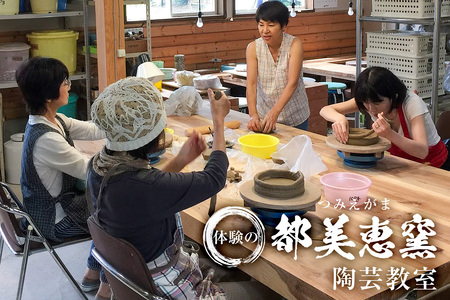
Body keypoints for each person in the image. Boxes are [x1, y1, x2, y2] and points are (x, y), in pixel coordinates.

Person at [87, 77, 282, 299]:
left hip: (137, 278)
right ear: (153, 136)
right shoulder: (146, 187)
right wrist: (218, 122)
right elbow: (215, 178)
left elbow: (147, 190)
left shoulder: (98, 168)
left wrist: (180, 160)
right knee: (268, 290)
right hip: (165, 285)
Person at [15, 56, 108, 296]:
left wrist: (125, 123)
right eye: (64, 82)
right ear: (48, 95)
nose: (69, 85)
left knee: (113, 204)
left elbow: (93, 129)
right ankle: (99, 279)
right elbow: (91, 170)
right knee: (118, 212)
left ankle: (95, 274)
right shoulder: (46, 138)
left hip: (56, 207)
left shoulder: (52, 120)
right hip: (54, 220)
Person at [320, 66, 450, 170]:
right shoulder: (369, 99)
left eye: (377, 103)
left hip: (435, 166)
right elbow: (325, 110)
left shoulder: (411, 104)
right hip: (405, 165)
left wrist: (390, 134)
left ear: (393, 96)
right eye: (366, 103)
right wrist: (340, 118)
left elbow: (422, 151)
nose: (371, 109)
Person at [246, 0, 310, 133]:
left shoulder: (294, 45)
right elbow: (251, 84)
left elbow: (292, 83)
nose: (265, 31)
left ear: (284, 26)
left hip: (295, 116)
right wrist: (253, 114)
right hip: (265, 115)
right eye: (261, 25)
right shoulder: (253, 48)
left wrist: (275, 112)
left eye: (271, 25)